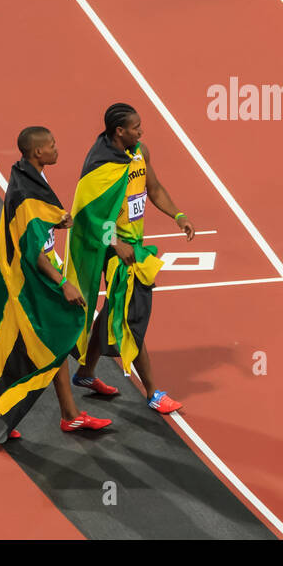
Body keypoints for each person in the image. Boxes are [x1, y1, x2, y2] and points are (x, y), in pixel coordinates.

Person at [0, 127, 111, 444]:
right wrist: (64, 284)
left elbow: (35, 225)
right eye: (52, 145)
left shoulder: (28, 177)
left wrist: (56, 219)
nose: (57, 149)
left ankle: (68, 416)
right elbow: (33, 255)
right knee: (17, 352)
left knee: (48, 345)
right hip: (22, 286)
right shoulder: (26, 193)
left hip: (28, 279)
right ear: (37, 153)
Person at [66, 103, 194, 414]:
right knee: (130, 319)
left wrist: (178, 215)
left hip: (134, 242)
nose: (141, 130)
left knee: (114, 310)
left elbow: (154, 187)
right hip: (114, 250)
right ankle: (152, 391)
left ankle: (85, 373)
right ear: (119, 131)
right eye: (135, 127)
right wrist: (115, 241)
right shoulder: (100, 166)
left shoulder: (140, 153)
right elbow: (88, 216)